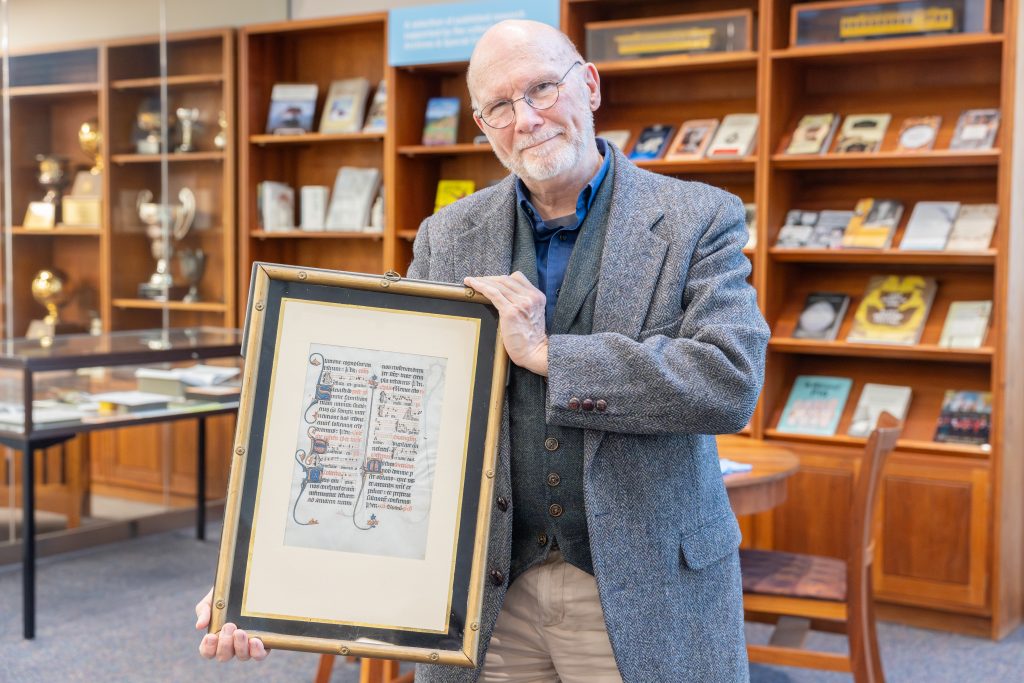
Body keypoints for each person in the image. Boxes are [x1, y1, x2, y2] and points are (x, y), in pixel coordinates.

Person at [196, 18, 769, 683]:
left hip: (642, 593)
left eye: (542, 89)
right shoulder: (448, 236)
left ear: (589, 85)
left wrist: (550, 353)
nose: (525, 119)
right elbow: (384, 411)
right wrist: (258, 580)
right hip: (486, 596)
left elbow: (729, 379)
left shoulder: (700, 217)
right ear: (480, 121)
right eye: (499, 105)